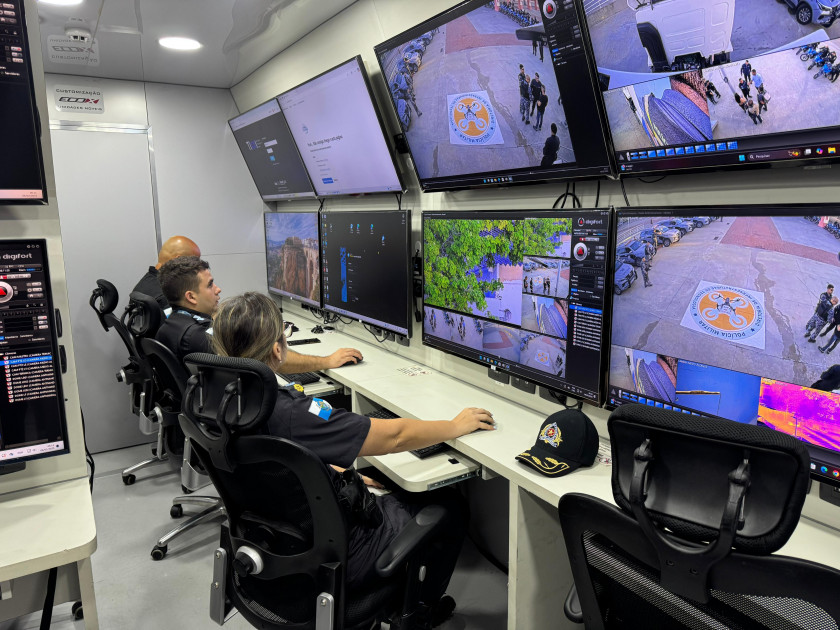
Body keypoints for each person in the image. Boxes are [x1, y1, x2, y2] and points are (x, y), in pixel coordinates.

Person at [211, 292, 496, 626]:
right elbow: (394, 437)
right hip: (341, 554)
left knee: (378, 481)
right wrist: (454, 426)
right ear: (277, 350)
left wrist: (322, 471)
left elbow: (271, 465)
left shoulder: (215, 397)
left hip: (271, 545)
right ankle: (417, 614)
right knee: (449, 504)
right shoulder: (291, 412)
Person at [155, 256, 221, 362]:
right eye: (210, 285)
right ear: (191, 297)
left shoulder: (168, 325)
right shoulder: (198, 338)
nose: (218, 289)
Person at [133, 235, 200, 312]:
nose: (197, 269)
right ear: (179, 260)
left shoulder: (146, 282)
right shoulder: (168, 296)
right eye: (194, 263)